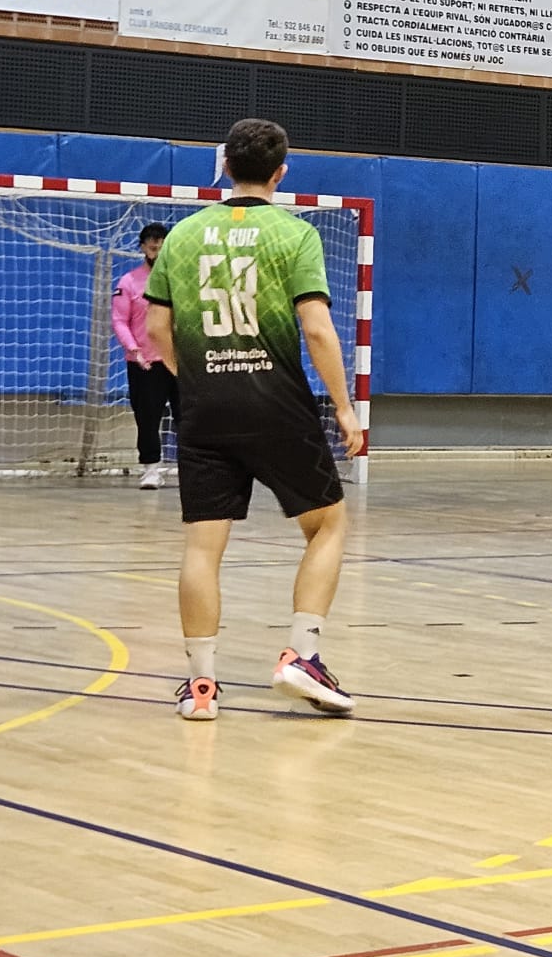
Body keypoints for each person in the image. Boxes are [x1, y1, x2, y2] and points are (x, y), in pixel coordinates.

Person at [145, 119, 367, 721]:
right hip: (276, 403)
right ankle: (302, 655)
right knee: (327, 524)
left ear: (225, 167)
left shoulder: (183, 236)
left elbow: (156, 332)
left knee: (202, 545)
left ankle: (201, 689)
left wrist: (194, 376)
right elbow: (317, 328)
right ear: (280, 171)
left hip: (203, 407)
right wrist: (344, 408)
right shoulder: (294, 235)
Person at [113, 222, 178, 490]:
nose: (157, 247)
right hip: (145, 364)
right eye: (152, 243)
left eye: (162, 242)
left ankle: (195, 467)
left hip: (178, 362)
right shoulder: (128, 282)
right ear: (143, 247)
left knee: (191, 416)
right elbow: (119, 320)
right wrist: (134, 349)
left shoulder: (182, 279)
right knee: (148, 417)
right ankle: (151, 469)